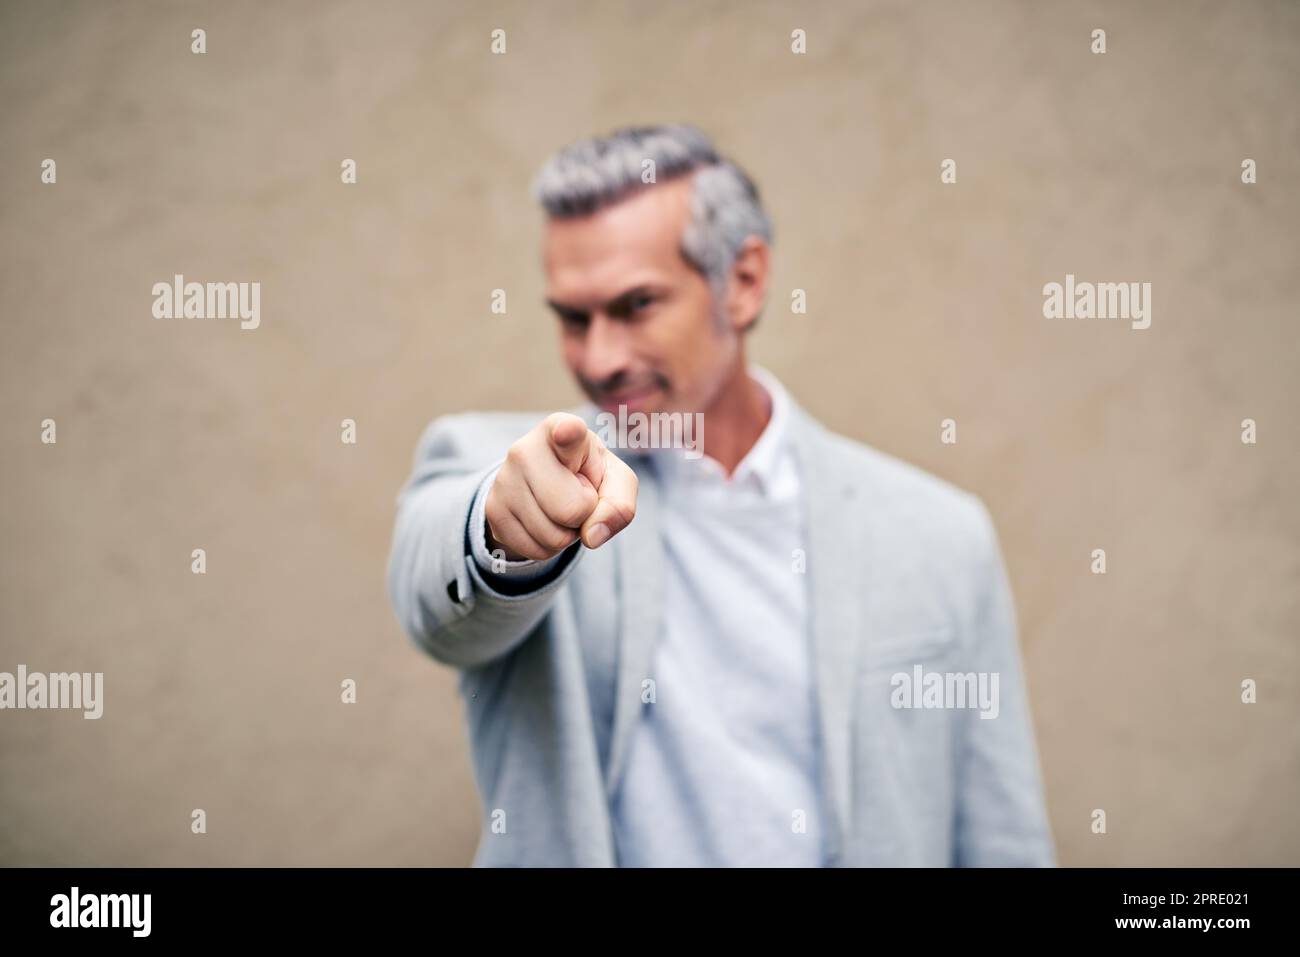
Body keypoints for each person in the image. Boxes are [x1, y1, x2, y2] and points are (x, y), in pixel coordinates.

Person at [386, 124, 1055, 867]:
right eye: (573, 319)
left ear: (743, 282)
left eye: (635, 305)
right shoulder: (518, 473)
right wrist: (505, 531)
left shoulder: (941, 533)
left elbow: (1002, 834)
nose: (599, 357)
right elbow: (437, 603)